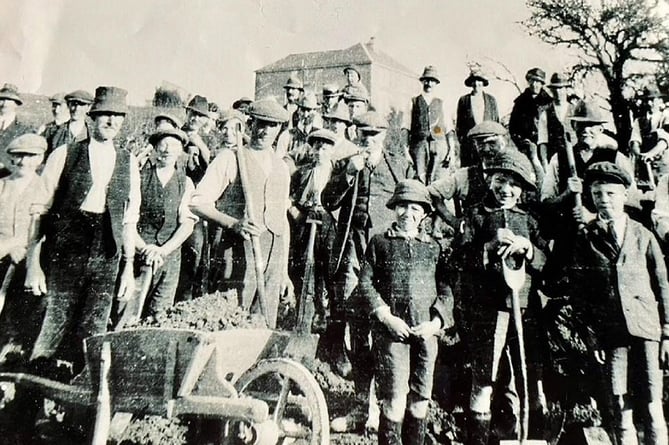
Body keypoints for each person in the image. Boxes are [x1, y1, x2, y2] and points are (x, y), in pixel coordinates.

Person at [24, 86, 139, 373]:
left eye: (117, 116)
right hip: (66, 251)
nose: (111, 122)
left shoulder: (129, 162)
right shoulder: (64, 154)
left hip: (107, 255)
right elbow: (39, 211)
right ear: (92, 116)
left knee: (94, 331)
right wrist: (33, 265)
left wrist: (127, 268)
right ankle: (34, 399)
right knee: (52, 324)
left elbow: (128, 220)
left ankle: (78, 403)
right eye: (105, 115)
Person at [567, 162, 668, 445]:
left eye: (611, 193)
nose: (604, 200)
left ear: (624, 195)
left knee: (652, 402)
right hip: (611, 334)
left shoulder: (642, 235)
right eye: (597, 194)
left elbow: (662, 285)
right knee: (620, 402)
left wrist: (668, 331)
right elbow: (580, 294)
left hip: (646, 329)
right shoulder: (586, 237)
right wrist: (591, 335)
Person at [322, 110, 412, 431]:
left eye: (374, 135)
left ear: (384, 136)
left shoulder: (398, 165)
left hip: (385, 259)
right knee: (356, 330)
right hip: (353, 255)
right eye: (362, 134)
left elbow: (413, 202)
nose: (367, 140)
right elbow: (328, 201)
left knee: (385, 330)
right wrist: (348, 172)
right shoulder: (346, 162)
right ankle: (362, 406)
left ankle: (387, 406)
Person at [450, 149, 547, 445]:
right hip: (488, 310)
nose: (506, 189)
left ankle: (519, 435)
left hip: (525, 309)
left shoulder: (529, 221)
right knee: (485, 377)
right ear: (490, 179)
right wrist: (489, 248)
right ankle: (479, 437)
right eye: (501, 180)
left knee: (524, 376)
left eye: (514, 184)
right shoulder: (476, 216)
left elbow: (546, 262)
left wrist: (529, 250)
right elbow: (459, 260)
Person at [357, 179, 451, 445]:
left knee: (420, 399)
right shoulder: (379, 243)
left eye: (415, 208)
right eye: (402, 207)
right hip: (392, 334)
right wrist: (385, 316)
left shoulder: (433, 248)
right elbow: (365, 283)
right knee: (395, 398)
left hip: (425, 335)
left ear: (424, 214)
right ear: (393, 208)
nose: (408, 214)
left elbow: (446, 290)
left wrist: (435, 323)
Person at [190, 99, 292, 329]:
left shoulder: (282, 168)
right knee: (232, 319)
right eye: (261, 123)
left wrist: (284, 271)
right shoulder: (230, 158)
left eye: (272, 126)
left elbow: (282, 221)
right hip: (235, 251)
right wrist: (233, 223)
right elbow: (197, 203)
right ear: (250, 123)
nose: (265, 131)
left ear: (280, 129)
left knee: (264, 325)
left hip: (272, 255)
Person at [126, 127, 196, 319]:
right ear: (155, 148)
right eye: (163, 145)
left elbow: (187, 224)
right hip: (140, 254)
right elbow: (128, 220)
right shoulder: (139, 178)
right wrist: (145, 248)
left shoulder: (186, 183)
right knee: (129, 312)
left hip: (169, 259)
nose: (167, 150)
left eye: (173, 146)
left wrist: (163, 251)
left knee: (160, 314)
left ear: (180, 151)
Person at [0, 135, 48, 363]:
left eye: (30, 156)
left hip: (30, 260)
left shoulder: (44, 188)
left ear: (39, 158)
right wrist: (8, 247)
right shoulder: (2, 185)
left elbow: (40, 227)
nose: (23, 162)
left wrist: (21, 247)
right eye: (18, 156)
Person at [287, 129, 339, 333]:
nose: (320, 153)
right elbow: (289, 198)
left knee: (328, 270)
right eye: (316, 148)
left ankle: (325, 318)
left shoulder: (337, 173)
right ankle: (302, 319)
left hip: (328, 225)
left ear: (331, 151)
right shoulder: (302, 172)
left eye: (325, 149)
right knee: (304, 269)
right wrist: (297, 215)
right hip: (305, 222)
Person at [428, 121, 513, 224]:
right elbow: (433, 192)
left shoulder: (516, 174)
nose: (486, 149)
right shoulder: (465, 175)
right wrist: (453, 221)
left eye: (492, 143)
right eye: (480, 144)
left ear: (505, 143)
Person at [403, 66, 452, 184]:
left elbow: (448, 128)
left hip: (439, 145)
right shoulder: (414, 101)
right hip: (419, 146)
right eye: (426, 80)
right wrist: (406, 150)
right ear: (422, 81)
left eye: (432, 81)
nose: (429, 83)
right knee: (419, 180)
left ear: (436, 83)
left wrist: (451, 151)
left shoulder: (441, 103)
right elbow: (405, 127)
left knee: (437, 182)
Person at [509, 68, 554, 165]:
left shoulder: (549, 102)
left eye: (537, 81)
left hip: (546, 147)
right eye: (532, 81)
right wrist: (521, 141)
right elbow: (513, 126)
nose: (534, 84)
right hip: (526, 148)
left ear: (542, 84)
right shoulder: (520, 102)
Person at [456, 68, 499, 167]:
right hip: (470, 144)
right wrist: (463, 141)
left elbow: (496, 122)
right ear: (471, 83)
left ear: (483, 83)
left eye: (479, 80)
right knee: (470, 172)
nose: (476, 83)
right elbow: (460, 125)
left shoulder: (491, 100)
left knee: (488, 169)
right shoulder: (464, 100)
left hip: (488, 142)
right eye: (474, 81)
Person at [629, 85, 669, 186]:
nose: (649, 103)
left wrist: (651, 154)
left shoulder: (666, 117)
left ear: (660, 101)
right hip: (646, 165)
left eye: (652, 100)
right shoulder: (640, 121)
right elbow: (635, 140)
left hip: (664, 164)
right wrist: (639, 155)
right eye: (646, 100)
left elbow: (665, 140)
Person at [46, 90, 94, 156]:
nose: (77, 109)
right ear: (68, 105)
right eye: (74, 104)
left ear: (89, 107)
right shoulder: (53, 131)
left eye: (82, 104)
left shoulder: (92, 133)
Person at [0, 84, 34, 172]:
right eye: (2, 99)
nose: (4, 104)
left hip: (9, 177)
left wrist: (6, 166)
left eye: (9, 100)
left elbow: (27, 161)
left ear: (16, 103)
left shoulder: (25, 130)